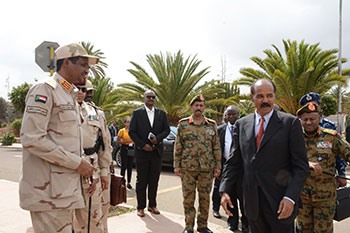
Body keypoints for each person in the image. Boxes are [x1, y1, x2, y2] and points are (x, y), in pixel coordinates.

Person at [19, 43, 98, 233]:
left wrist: (84, 172)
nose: (87, 71)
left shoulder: (69, 94)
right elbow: (32, 139)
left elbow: (67, 142)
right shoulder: (44, 90)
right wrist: (77, 163)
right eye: (83, 65)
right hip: (48, 195)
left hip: (64, 192)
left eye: (88, 66)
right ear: (66, 63)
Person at [220, 79, 309, 233]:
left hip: (281, 202)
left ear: (275, 96)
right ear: (252, 98)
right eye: (260, 96)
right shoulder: (242, 125)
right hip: (252, 202)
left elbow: (300, 166)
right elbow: (234, 162)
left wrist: (290, 197)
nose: (265, 100)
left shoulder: (290, 123)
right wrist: (225, 189)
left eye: (269, 95)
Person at [296, 102, 350, 233]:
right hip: (302, 197)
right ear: (300, 120)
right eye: (305, 119)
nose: (309, 122)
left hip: (325, 199)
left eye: (312, 119)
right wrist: (307, 164)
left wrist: (342, 174)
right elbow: (285, 161)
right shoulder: (294, 138)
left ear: (319, 119)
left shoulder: (331, 137)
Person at [174, 94, 221, 233]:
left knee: (205, 198)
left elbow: (216, 146)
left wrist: (218, 166)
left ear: (204, 108)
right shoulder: (183, 125)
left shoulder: (211, 125)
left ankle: (202, 225)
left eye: (201, 106)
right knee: (188, 199)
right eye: (196, 105)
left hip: (207, 168)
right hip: (188, 168)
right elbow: (178, 146)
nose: (198, 108)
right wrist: (177, 165)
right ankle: (188, 227)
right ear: (191, 107)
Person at [73, 79, 112, 233]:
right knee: (66, 218)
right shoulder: (60, 110)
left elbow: (104, 145)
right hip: (67, 170)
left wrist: (104, 173)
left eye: (84, 89)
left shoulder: (97, 113)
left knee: (92, 216)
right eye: (77, 88)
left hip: (91, 170)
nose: (80, 92)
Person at [129, 90, 170, 217]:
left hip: (156, 152)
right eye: (148, 97)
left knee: (154, 180)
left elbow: (167, 130)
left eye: (153, 97)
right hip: (142, 152)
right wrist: (143, 145)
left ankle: (152, 205)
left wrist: (157, 139)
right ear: (144, 98)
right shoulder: (137, 113)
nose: (151, 99)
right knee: (141, 180)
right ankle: (140, 207)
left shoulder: (161, 114)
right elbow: (132, 132)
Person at [300, 92, 348, 188]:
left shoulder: (330, 127)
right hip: (303, 187)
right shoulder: (295, 129)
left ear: (320, 107)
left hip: (325, 186)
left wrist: (341, 173)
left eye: (314, 105)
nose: (309, 122)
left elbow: (339, 152)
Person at [213, 105, 249, 232]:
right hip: (225, 170)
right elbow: (215, 150)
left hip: (242, 171)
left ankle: (245, 223)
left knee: (243, 199)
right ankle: (232, 222)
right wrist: (217, 168)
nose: (231, 116)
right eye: (228, 114)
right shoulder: (220, 130)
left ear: (238, 115)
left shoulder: (244, 129)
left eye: (234, 114)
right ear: (225, 116)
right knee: (230, 197)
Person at [116, 117, 134, 189]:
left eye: (130, 122)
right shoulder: (122, 131)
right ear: (125, 123)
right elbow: (118, 141)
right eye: (127, 122)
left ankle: (129, 182)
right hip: (124, 148)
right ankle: (122, 181)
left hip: (131, 148)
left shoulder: (133, 131)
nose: (128, 123)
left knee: (130, 166)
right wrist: (126, 141)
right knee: (124, 166)